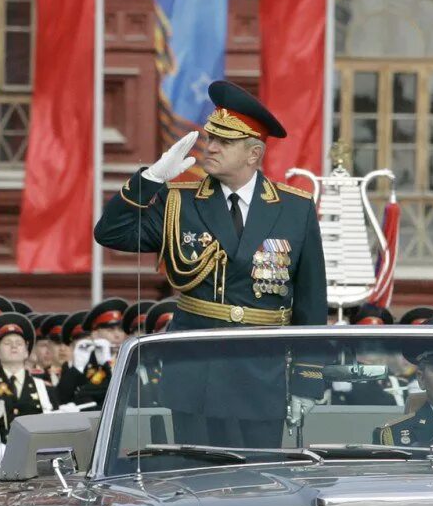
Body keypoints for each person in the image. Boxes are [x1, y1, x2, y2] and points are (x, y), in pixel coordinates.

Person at [94, 79, 326, 329]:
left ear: (254, 154)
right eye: (212, 138)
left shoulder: (295, 208)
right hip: (196, 354)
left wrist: (308, 367)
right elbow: (111, 233)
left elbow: (310, 299)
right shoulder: (179, 201)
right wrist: (150, 180)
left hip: (265, 358)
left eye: (225, 142)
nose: (211, 148)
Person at [0, 313, 56, 478]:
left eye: (19, 343)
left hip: (35, 467)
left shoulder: (44, 388)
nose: (14, 347)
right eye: (7, 343)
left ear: (26, 352)